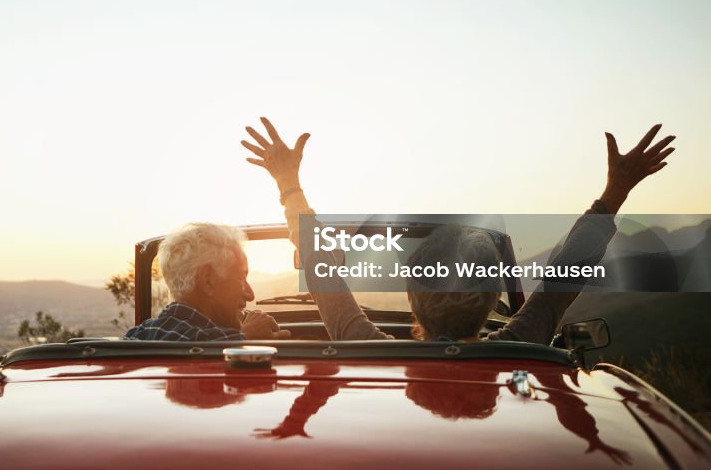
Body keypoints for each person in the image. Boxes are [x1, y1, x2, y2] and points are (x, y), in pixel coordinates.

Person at [241, 117, 675, 344]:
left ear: (412, 298)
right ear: (491, 301)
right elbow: (565, 273)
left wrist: (288, 184)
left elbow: (320, 267)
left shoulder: (361, 343)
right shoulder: (522, 342)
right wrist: (615, 191)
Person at [123, 222, 291, 341]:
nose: (250, 295)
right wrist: (244, 339)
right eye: (241, 277)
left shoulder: (138, 336)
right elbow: (188, 347)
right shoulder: (199, 341)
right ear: (207, 280)